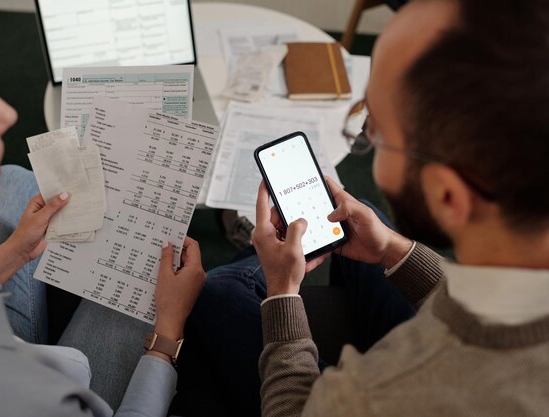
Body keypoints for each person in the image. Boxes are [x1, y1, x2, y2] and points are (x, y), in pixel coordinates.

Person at [173, 0, 549, 416]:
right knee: (359, 214)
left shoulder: (374, 395)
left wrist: (282, 294)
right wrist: (395, 250)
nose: (368, 140)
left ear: (447, 195)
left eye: (378, 131)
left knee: (216, 292)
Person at [0, 1, 206, 415]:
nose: (8, 114)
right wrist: (167, 335)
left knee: (15, 178)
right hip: (45, 390)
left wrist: (16, 250)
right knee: (149, 267)